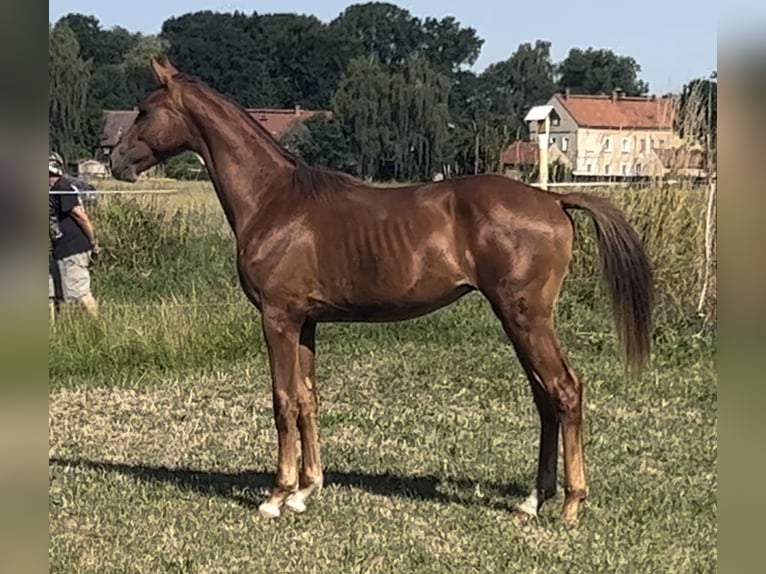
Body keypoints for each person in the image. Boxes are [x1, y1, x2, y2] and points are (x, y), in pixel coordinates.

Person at [48, 153, 100, 319]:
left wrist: (93, 242)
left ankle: (97, 324)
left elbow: (81, 216)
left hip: (73, 250)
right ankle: (54, 329)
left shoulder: (62, 188)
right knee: (53, 291)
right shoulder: (52, 191)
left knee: (79, 294)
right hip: (61, 250)